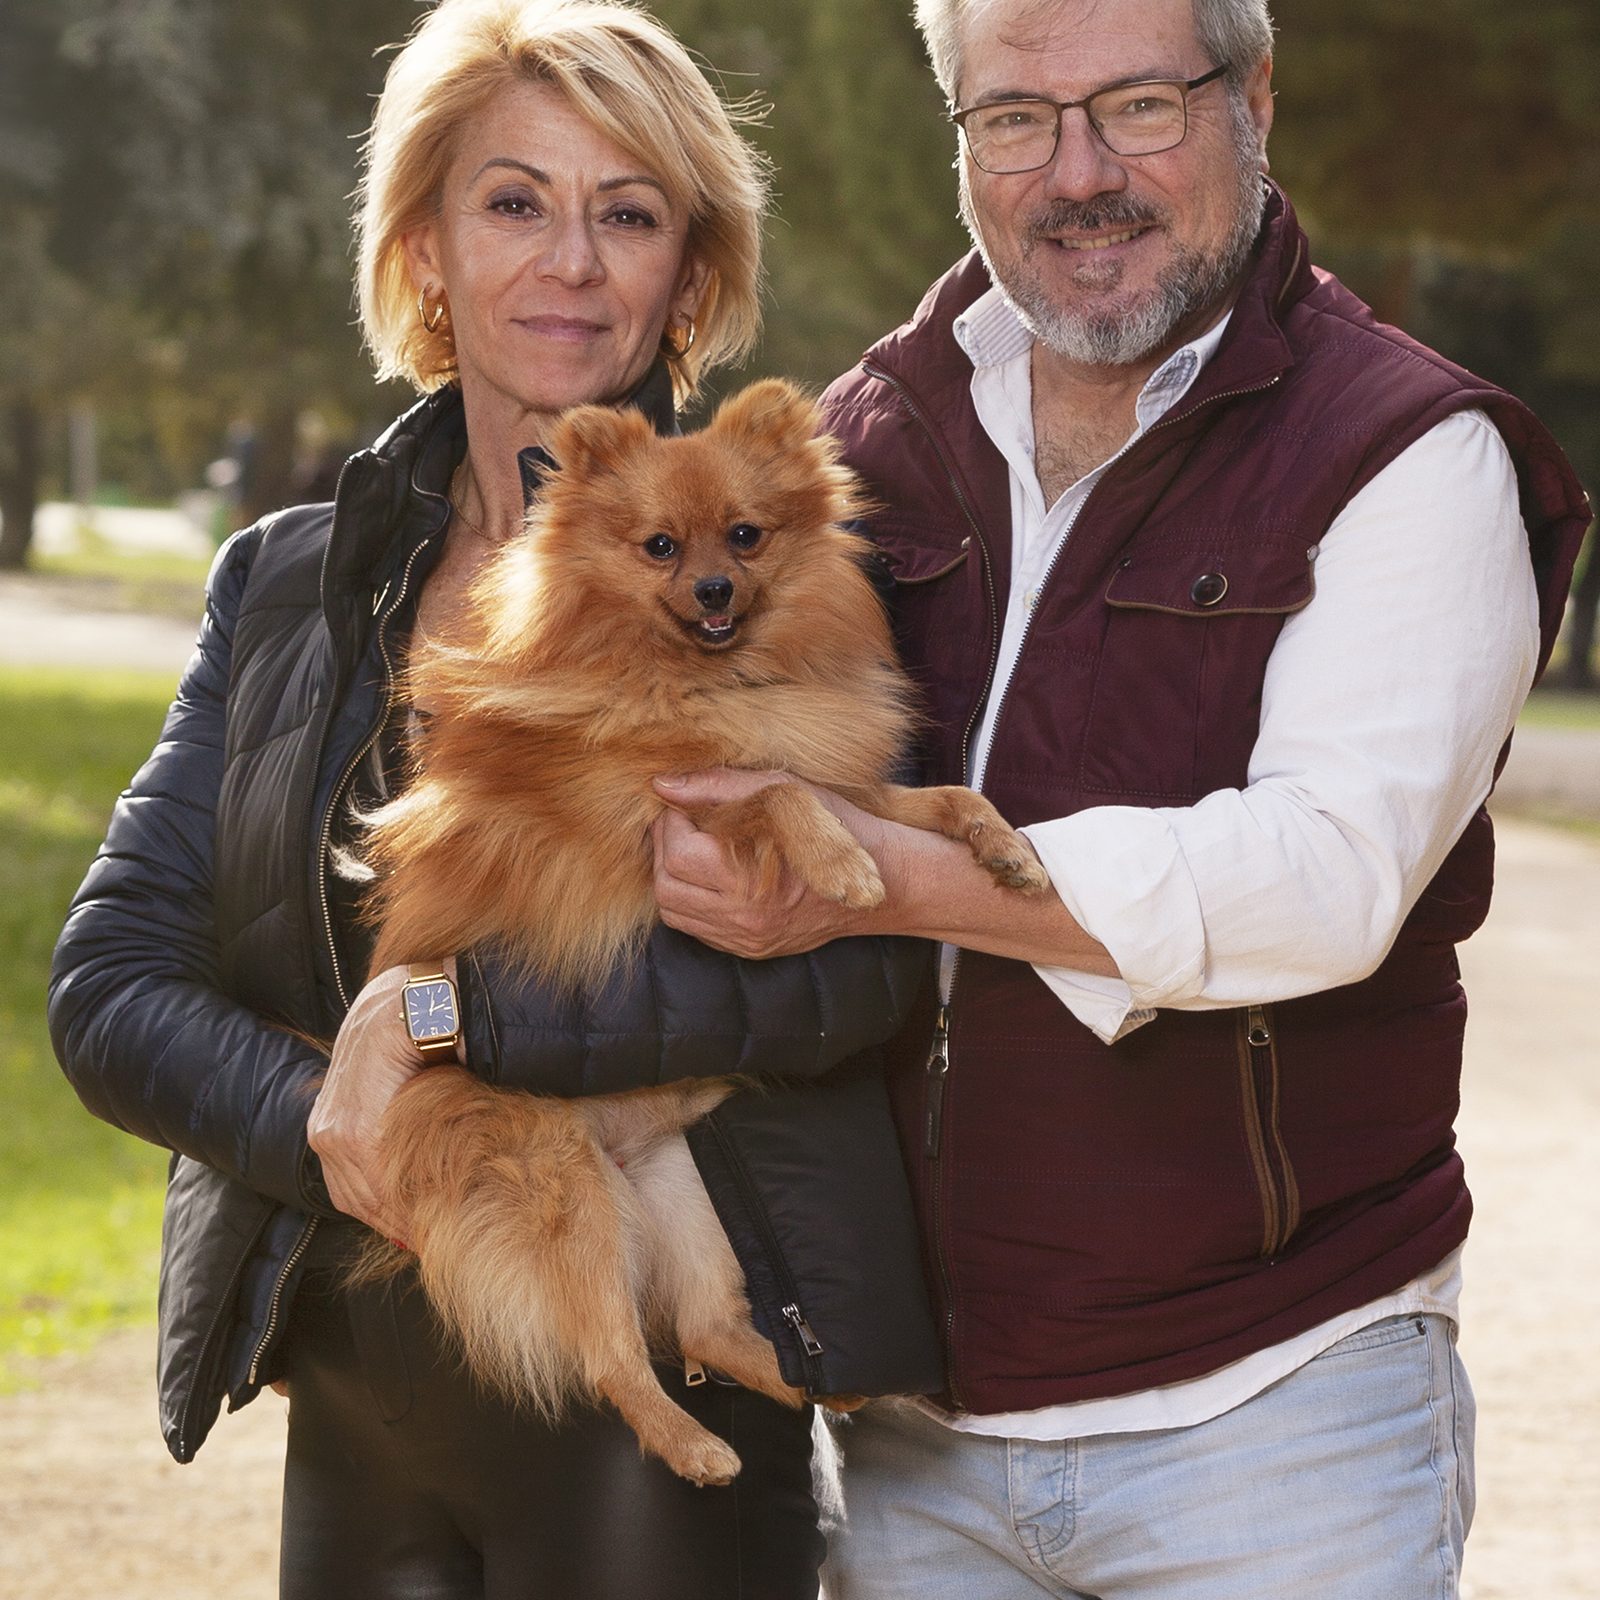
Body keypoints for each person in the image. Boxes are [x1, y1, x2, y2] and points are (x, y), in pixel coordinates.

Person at [646, 0, 1593, 1594]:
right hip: (913, 1430)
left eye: (1139, 105)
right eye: (1016, 117)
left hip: (1275, 1418)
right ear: (960, 146)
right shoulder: (866, 442)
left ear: (1257, 98)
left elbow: (1328, 871)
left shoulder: (1413, 454)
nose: (1078, 171)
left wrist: (872, 874)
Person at [47, 3, 942, 1596]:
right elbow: (107, 986)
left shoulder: (775, 573)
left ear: (693, 273)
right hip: (352, 1393)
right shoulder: (281, 587)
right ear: (426, 250)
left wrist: (453, 1026)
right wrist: (338, 1127)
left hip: (655, 1399)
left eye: (631, 214)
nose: (574, 263)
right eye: (515, 201)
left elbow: (871, 961)